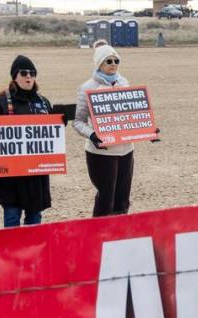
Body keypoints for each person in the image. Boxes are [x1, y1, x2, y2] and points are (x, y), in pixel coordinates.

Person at [0, 55, 53, 228]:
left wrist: (58, 123)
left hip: (36, 173)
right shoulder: (0, 102)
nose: (29, 77)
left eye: (33, 73)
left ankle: (32, 252)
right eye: (24, 73)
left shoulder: (43, 102)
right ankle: (13, 253)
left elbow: (50, 134)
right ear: (15, 76)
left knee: (35, 218)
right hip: (11, 174)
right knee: (12, 217)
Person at [73, 46, 137, 217]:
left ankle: (120, 235)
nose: (113, 64)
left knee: (122, 199)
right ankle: (99, 236)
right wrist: (92, 135)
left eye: (116, 60)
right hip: (101, 153)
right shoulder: (87, 87)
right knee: (105, 198)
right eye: (109, 61)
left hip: (126, 150)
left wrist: (146, 130)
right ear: (99, 63)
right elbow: (78, 121)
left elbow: (133, 114)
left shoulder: (124, 83)